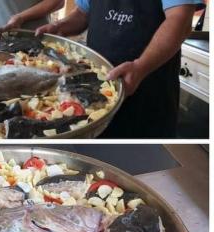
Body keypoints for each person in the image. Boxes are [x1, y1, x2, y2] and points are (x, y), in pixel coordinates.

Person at [36, 0, 196, 138]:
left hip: (147, 91)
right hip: (96, 89)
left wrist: (140, 67)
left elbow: (180, 20)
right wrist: (59, 26)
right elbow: (82, 13)